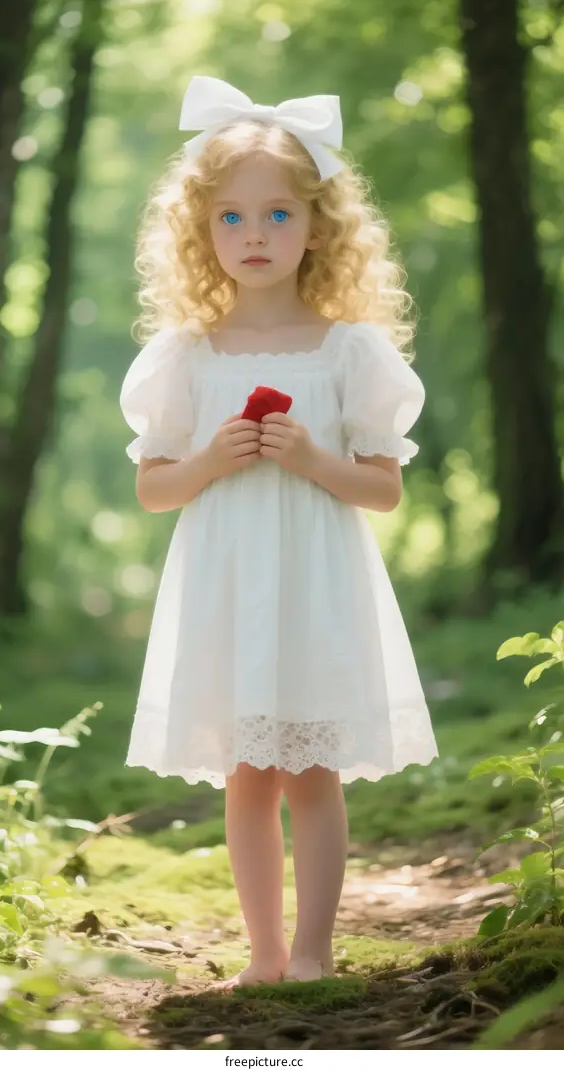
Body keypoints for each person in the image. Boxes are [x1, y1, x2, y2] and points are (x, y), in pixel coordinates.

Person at [120, 75, 438, 988]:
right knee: (247, 775)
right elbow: (153, 490)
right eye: (229, 218)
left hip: (314, 582)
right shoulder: (184, 355)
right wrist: (212, 460)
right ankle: (261, 954)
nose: (253, 236)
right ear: (200, 230)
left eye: (275, 215)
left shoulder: (350, 352)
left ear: (318, 224)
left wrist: (309, 457)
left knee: (313, 773)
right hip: (228, 585)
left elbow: (381, 492)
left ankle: (312, 952)